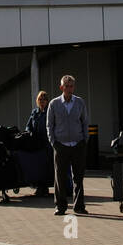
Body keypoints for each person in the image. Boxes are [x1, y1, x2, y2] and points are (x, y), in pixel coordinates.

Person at [46, 75, 89, 216]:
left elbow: (84, 122)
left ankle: (79, 206)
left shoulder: (79, 102)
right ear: (61, 87)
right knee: (60, 177)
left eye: (71, 86)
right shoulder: (54, 104)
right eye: (67, 86)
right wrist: (54, 143)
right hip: (61, 145)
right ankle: (60, 206)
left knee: (78, 177)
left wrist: (84, 140)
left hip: (77, 144)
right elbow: (49, 125)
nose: (69, 89)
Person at [25, 90, 54, 197]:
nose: (42, 101)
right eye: (40, 99)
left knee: (46, 166)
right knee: (37, 165)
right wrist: (29, 132)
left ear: (47, 101)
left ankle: (44, 187)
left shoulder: (50, 112)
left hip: (46, 143)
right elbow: (28, 126)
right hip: (36, 143)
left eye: (44, 99)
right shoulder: (34, 112)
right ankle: (38, 186)